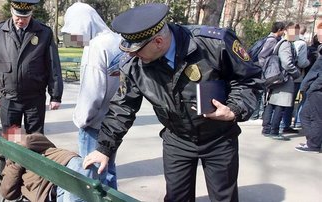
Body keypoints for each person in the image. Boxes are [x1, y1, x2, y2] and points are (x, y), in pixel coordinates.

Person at [83, 3, 262, 201]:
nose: (131, 55)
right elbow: (122, 107)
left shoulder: (213, 43)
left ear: (158, 42)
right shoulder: (134, 65)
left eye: (137, 50)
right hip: (177, 139)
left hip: (219, 138)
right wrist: (104, 148)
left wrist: (234, 109)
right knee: (176, 198)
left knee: (224, 198)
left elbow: (249, 79)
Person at [61, 2, 123, 189]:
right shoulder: (116, 40)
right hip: (114, 122)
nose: (74, 37)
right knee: (109, 170)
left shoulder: (95, 47)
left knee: (91, 177)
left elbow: (93, 91)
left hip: (94, 123)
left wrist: (82, 120)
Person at [0, 0, 63, 134]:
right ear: (11, 11)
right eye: (18, 17)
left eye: (25, 17)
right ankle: (13, 156)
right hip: (9, 98)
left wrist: (55, 96)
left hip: (35, 98)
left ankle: (31, 154)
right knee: (13, 139)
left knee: (35, 140)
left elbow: (53, 65)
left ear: (31, 14)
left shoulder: (44, 32)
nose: (21, 21)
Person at [0, 129, 97, 201]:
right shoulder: (11, 165)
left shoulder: (35, 143)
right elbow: (7, 193)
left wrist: (16, 141)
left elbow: (27, 141)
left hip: (70, 166)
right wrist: (16, 160)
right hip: (55, 187)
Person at [261, 22, 300, 140]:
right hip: (283, 78)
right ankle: (273, 130)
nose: (296, 35)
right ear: (287, 31)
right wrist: (296, 73)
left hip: (277, 76)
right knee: (280, 105)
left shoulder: (280, 43)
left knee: (272, 103)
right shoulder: (286, 44)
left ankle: (267, 128)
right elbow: (287, 63)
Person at [295, 22, 322, 153]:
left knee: (311, 116)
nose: (317, 35)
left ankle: (314, 143)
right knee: (307, 115)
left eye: (319, 32)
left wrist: (313, 87)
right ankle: (313, 141)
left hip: (317, 90)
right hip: (314, 88)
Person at [250, 22, 286, 120]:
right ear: (279, 30)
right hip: (263, 69)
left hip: (262, 68)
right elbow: (262, 55)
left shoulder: (271, 39)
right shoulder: (272, 41)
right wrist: (265, 68)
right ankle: (257, 113)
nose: (284, 32)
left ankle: (257, 113)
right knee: (261, 91)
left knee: (261, 91)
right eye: (283, 30)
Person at [280, 24, 310, 133]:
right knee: (289, 102)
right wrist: (309, 62)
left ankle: (279, 124)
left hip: (282, 75)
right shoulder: (302, 44)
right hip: (295, 76)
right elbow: (302, 63)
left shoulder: (284, 41)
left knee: (280, 100)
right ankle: (285, 125)